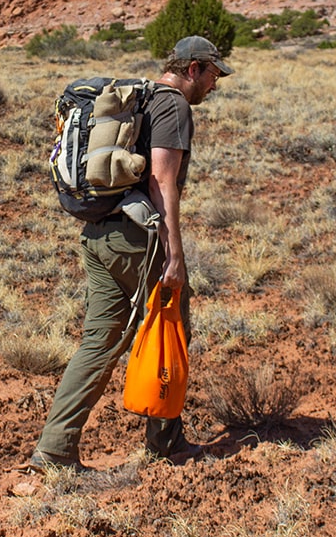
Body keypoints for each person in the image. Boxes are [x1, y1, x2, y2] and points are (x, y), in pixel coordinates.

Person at [30, 35, 233, 471]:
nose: (215, 84)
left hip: (98, 235)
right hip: (138, 242)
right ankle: (166, 443)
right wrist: (174, 255)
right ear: (193, 69)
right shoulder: (173, 105)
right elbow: (162, 181)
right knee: (170, 326)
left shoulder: (139, 99)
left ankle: (54, 450)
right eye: (213, 74)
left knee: (98, 343)